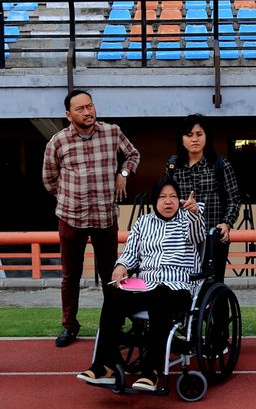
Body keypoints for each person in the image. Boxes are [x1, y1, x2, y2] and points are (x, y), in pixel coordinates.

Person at [77, 177, 206, 390]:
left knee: (160, 297)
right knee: (113, 296)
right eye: (163, 197)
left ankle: (151, 371)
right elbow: (130, 255)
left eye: (173, 197)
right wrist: (121, 266)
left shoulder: (188, 219)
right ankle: (105, 366)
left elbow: (198, 235)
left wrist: (194, 214)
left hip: (177, 286)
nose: (168, 201)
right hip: (146, 284)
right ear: (154, 200)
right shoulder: (143, 223)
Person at [42, 89, 141, 347]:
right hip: (71, 218)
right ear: (68, 115)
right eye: (80, 109)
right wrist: (68, 197)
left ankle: (114, 325)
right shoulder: (58, 142)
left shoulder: (112, 132)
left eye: (90, 106)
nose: (87, 112)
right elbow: (49, 179)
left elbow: (133, 155)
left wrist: (124, 174)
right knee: (70, 276)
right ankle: (69, 326)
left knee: (112, 275)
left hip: (105, 217)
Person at [169, 114, 240, 283]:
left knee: (213, 285)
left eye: (199, 134)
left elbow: (234, 199)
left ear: (206, 137)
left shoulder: (220, 165)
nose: (194, 139)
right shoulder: (173, 166)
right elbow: (167, 200)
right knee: (182, 283)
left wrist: (226, 223)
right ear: (182, 138)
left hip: (213, 236)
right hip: (182, 238)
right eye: (189, 135)